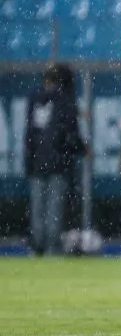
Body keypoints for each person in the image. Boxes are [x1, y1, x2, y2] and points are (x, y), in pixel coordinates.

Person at [25, 64, 85, 255]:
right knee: (53, 209)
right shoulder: (65, 99)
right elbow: (69, 133)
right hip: (58, 162)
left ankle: (37, 247)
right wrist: (82, 149)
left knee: (37, 209)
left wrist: (28, 161)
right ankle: (51, 249)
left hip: (36, 161)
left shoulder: (34, 98)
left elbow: (28, 135)